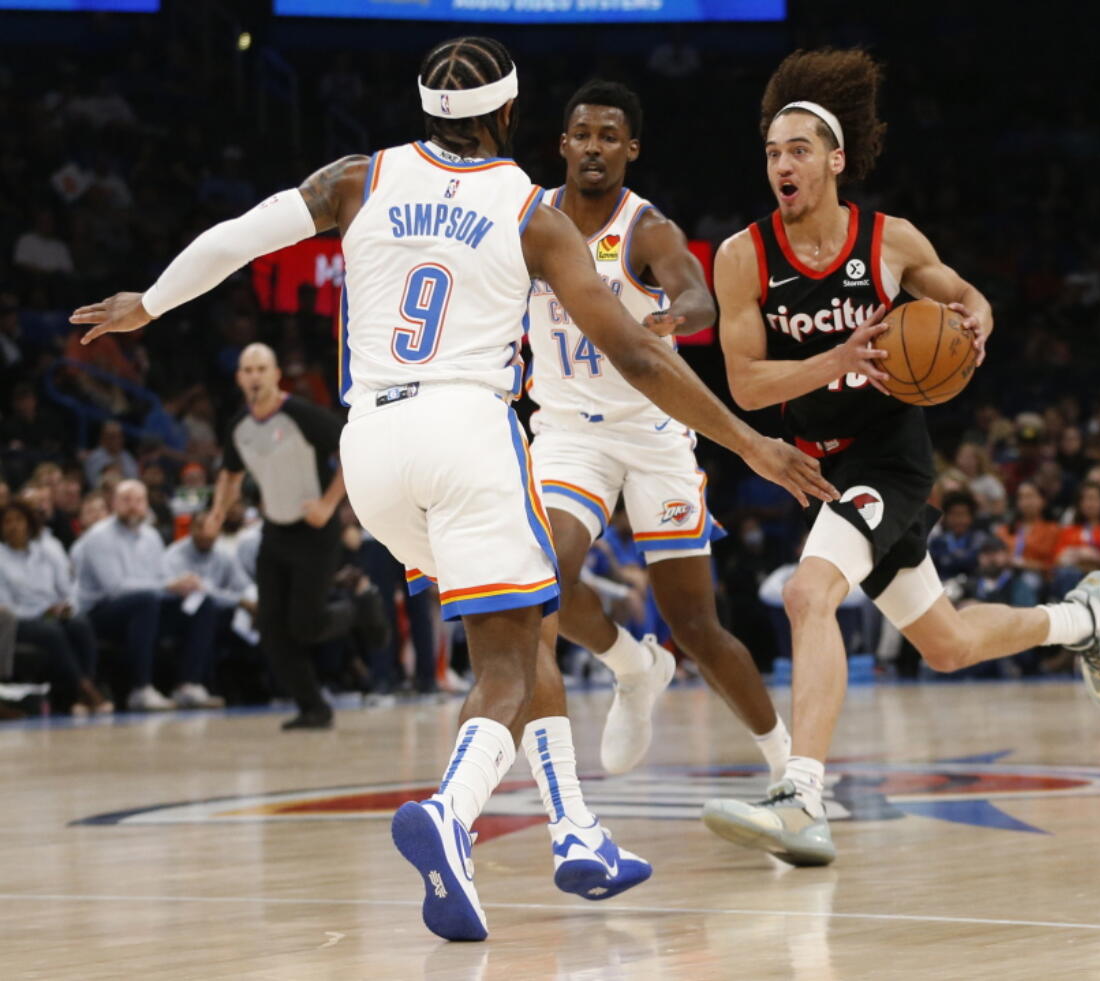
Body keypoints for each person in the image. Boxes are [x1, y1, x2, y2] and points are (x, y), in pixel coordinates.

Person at [68, 36, 833, 942]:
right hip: (467, 433)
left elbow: (239, 238)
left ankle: (576, 829)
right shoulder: (529, 209)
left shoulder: (360, 175)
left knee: (531, 618)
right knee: (509, 657)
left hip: (371, 451)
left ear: (426, 110)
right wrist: (747, 440)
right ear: (512, 117)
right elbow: (635, 351)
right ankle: (453, 811)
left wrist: (148, 303)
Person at [700, 48, 1100, 868]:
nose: (781, 165)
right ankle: (1082, 620)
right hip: (823, 463)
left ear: (833, 161)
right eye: (771, 152)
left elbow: (966, 297)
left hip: (889, 458)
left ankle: (802, 797)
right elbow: (749, 387)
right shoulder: (742, 257)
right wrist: (838, 358)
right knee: (947, 645)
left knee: (806, 592)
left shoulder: (888, 242)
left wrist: (976, 318)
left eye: (797, 151)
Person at [525, 80, 791, 782]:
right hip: (567, 430)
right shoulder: (530, 221)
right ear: (562, 144)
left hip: (653, 431)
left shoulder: (648, 229)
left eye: (609, 135)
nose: (593, 146)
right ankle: (631, 666)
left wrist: (682, 314)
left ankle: (789, 767)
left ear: (630, 150)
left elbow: (696, 291)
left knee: (696, 626)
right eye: (582, 133)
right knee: (545, 572)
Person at [203, 343, 382, 731]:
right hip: (274, 533)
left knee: (305, 624)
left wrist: (329, 504)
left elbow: (351, 450)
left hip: (315, 533)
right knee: (271, 629)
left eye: (261, 368)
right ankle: (313, 707)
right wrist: (218, 512)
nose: (254, 376)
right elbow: (230, 475)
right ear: (239, 378)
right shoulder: (239, 427)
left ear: (275, 374)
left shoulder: (302, 415)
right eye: (247, 369)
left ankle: (358, 607)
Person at [73, 479, 223, 710]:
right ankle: (140, 689)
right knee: (146, 601)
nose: (133, 506)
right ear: (113, 503)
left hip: (145, 608)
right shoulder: (99, 536)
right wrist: (166, 587)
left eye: (139, 500)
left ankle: (188, 685)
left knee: (201, 603)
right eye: (126, 500)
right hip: (100, 613)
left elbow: (161, 578)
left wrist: (182, 585)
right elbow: (115, 588)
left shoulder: (151, 536)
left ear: (146, 505)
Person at [0, 500, 109, 714]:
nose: (14, 526)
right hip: (21, 619)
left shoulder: (49, 548)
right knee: (51, 632)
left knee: (79, 624)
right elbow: (5, 607)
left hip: (52, 612)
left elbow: (67, 589)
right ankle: (85, 690)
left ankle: (82, 693)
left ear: (29, 523)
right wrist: (43, 613)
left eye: (19, 520)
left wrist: (66, 607)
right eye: (7, 522)